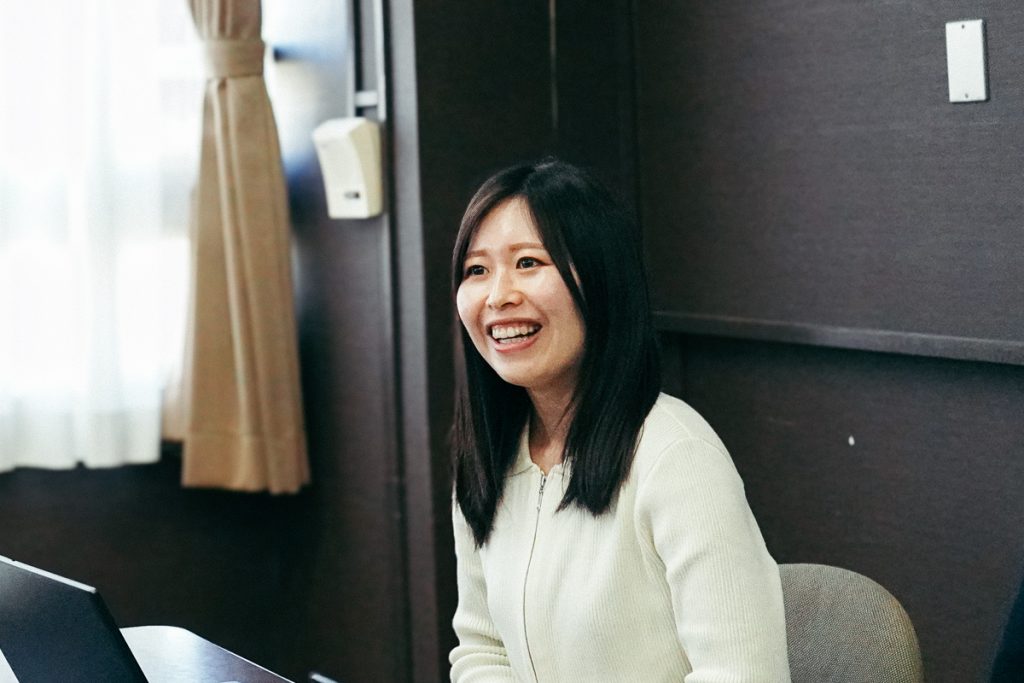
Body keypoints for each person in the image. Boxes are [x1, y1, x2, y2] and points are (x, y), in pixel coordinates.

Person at [448, 158, 791, 682]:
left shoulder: (676, 456)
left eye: (529, 262)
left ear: (601, 279)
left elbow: (743, 674)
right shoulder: (489, 456)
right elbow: (483, 650)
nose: (498, 296)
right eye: (477, 270)